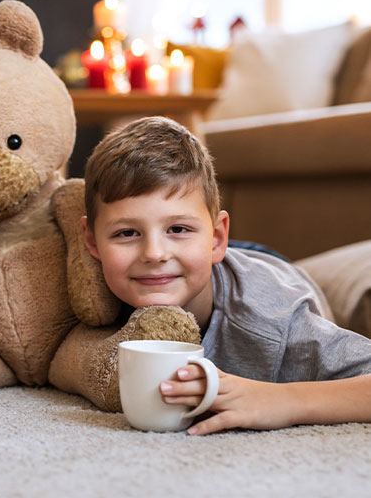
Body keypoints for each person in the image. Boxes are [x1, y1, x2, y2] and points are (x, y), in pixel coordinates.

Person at [81, 116, 371, 435]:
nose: (153, 253)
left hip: (275, 272)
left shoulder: (275, 322)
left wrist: (284, 399)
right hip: (215, 260)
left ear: (217, 238)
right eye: (127, 233)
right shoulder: (86, 289)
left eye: (178, 228)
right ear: (92, 241)